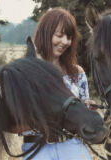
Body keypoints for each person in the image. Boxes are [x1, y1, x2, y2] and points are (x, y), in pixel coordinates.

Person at [21, 8, 94, 160]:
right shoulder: (25, 71)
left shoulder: (77, 72)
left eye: (69, 37)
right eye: (59, 35)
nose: (65, 42)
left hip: (72, 146)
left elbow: (83, 108)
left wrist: (87, 109)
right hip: (37, 148)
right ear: (46, 33)